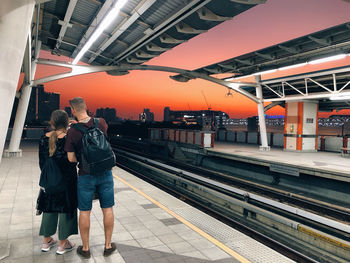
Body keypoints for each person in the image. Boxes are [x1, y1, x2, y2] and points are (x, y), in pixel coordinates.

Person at [64, 97, 116, 258]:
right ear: (86, 107)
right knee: (107, 209)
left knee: (85, 212)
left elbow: (71, 159)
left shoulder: (72, 131)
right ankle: (108, 246)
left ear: (72, 111)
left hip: (86, 176)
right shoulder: (101, 122)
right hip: (105, 173)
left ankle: (85, 248)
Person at [37, 110, 78, 254]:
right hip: (67, 182)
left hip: (49, 181)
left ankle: (46, 242)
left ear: (52, 122)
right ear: (66, 122)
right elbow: (72, 160)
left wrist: (50, 176)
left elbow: (42, 162)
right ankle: (63, 245)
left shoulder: (43, 138)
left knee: (48, 208)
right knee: (66, 209)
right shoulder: (69, 138)